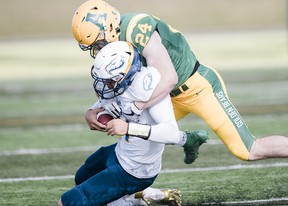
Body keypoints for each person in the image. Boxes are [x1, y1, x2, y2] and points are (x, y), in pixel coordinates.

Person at [71, 0, 288, 162]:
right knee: (133, 142)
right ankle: (187, 142)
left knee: (247, 150)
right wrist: (94, 110)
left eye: (97, 43)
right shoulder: (115, 41)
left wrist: (137, 106)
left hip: (197, 88)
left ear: (108, 27)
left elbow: (169, 78)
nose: (96, 50)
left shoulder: (136, 28)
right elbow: (120, 84)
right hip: (164, 94)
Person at [57, 41, 209, 206]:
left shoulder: (149, 87)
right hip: (121, 152)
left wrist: (128, 128)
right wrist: (90, 113)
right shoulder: (120, 82)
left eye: (109, 81)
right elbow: (106, 101)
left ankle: (134, 200)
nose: (105, 86)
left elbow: (171, 133)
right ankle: (139, 194)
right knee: (81, 178)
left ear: (126, 75)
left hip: (135, 171)